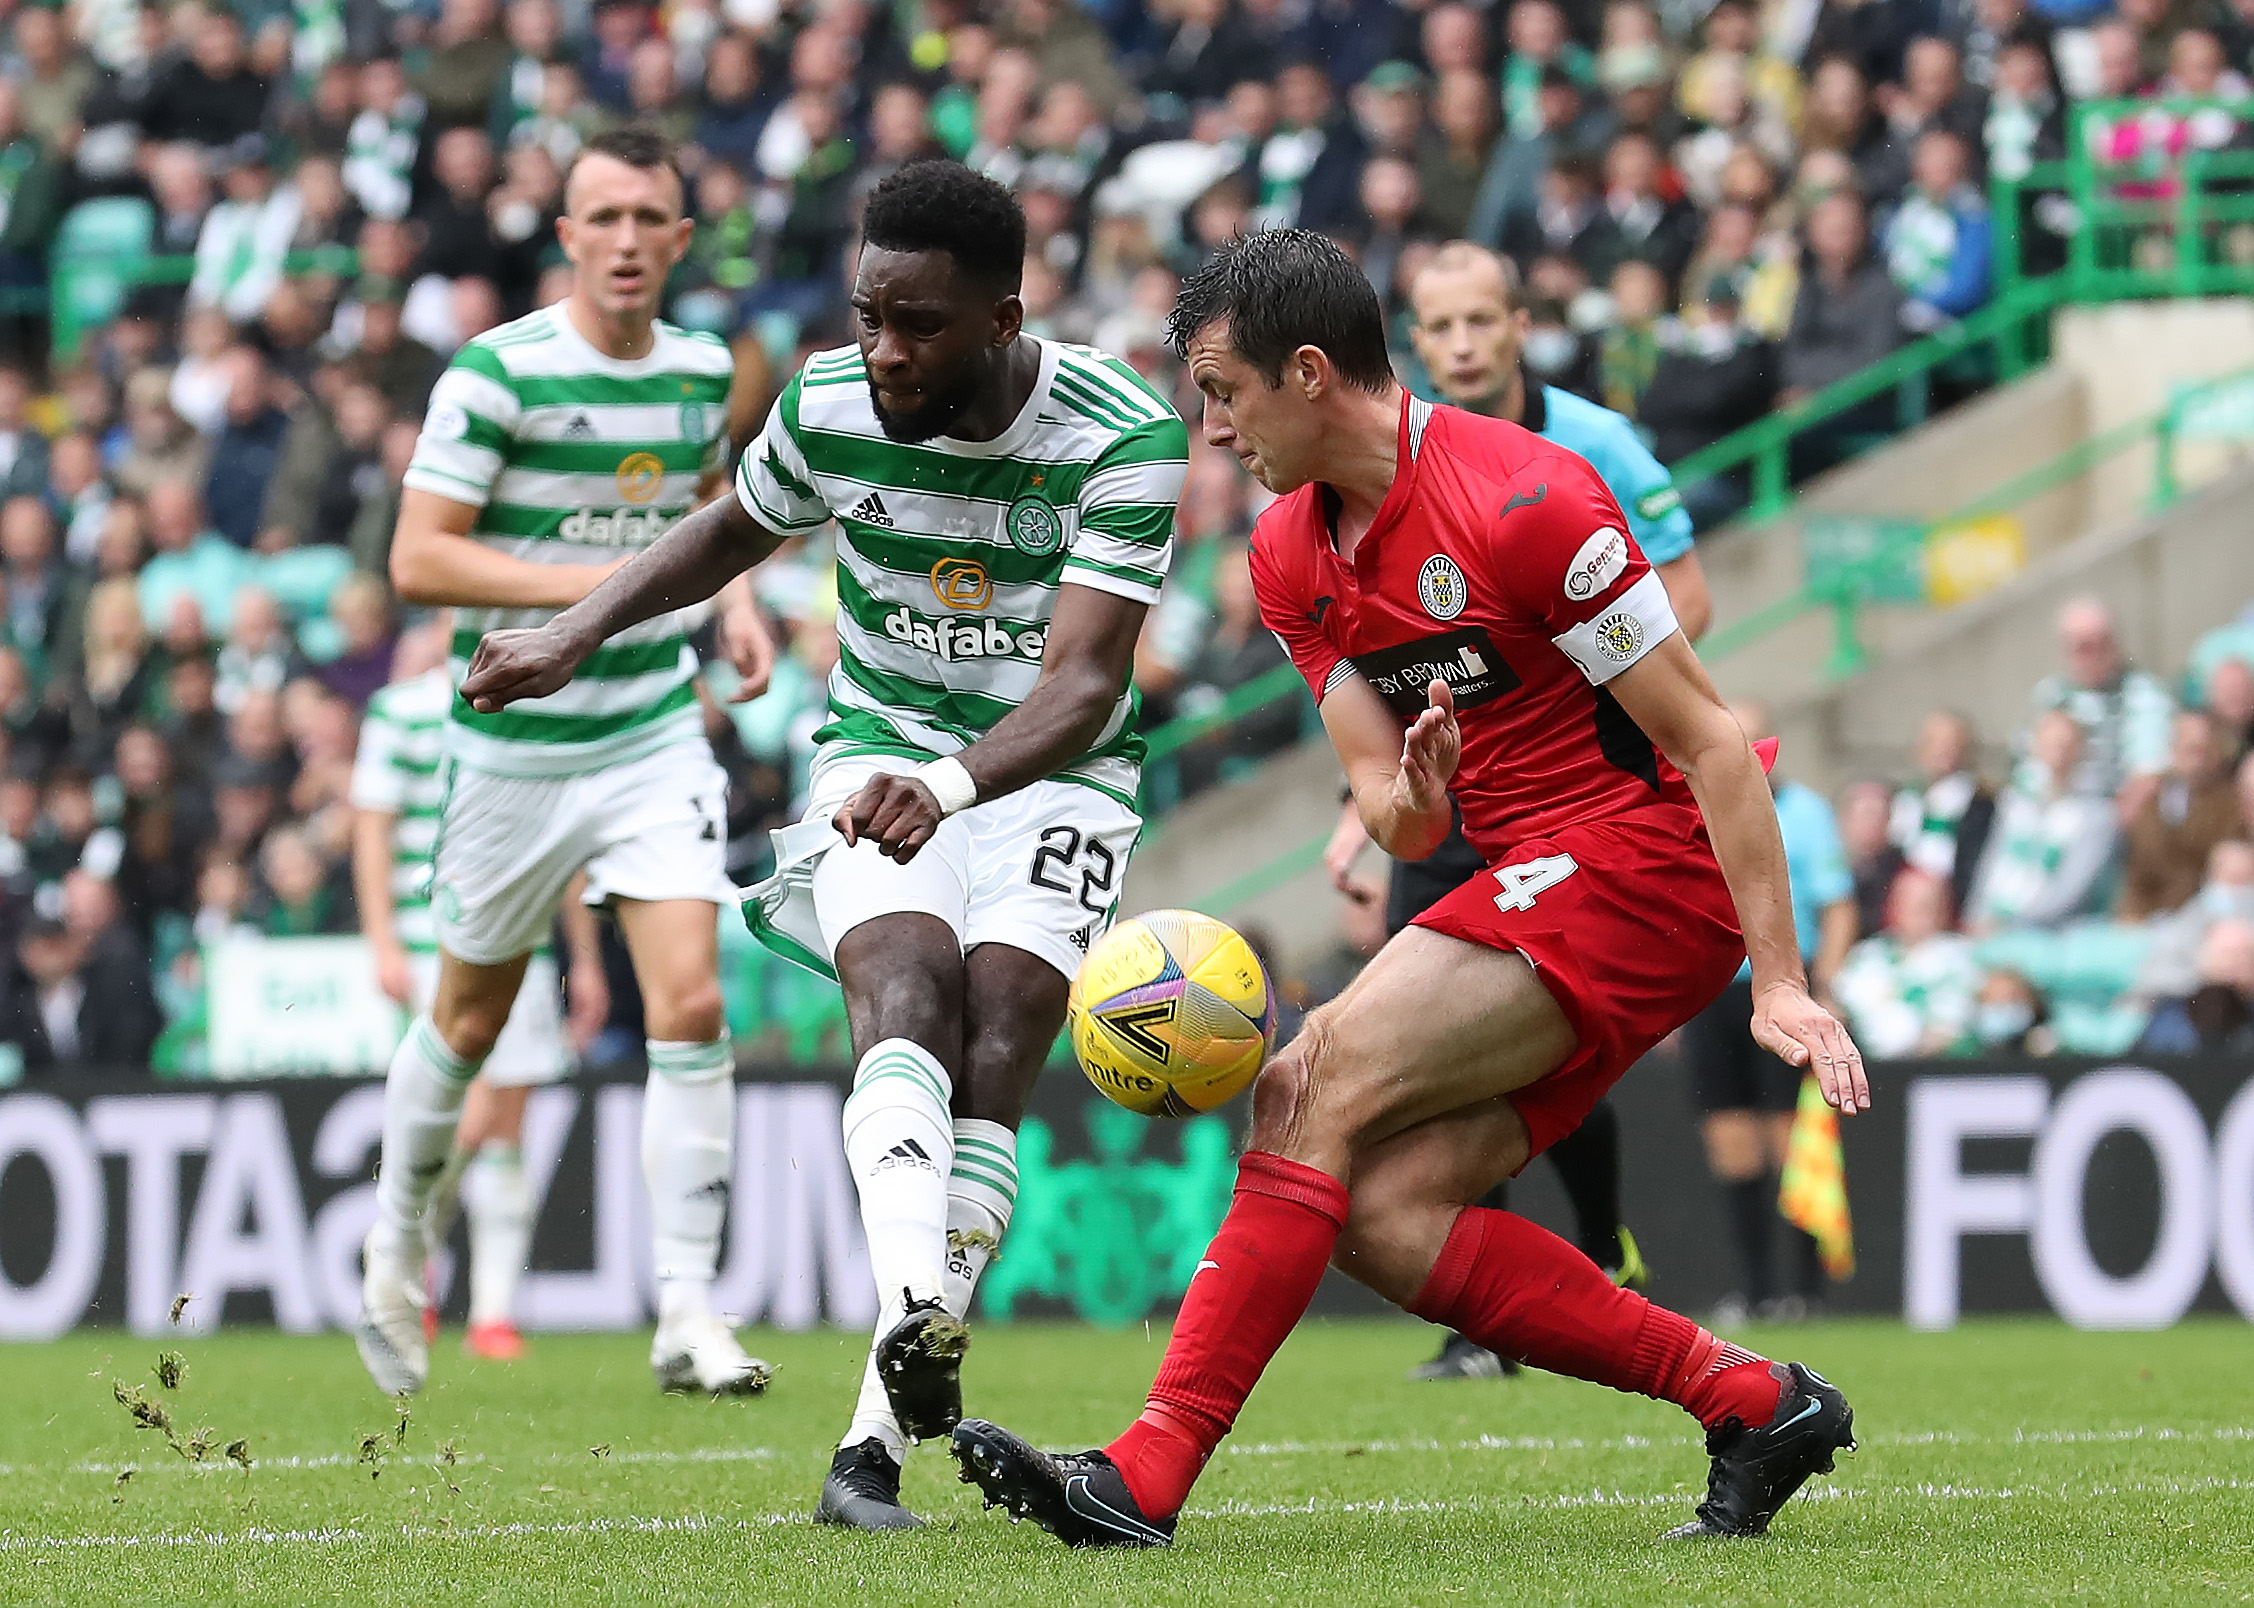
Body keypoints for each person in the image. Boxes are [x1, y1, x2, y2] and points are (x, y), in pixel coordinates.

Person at [943, 229, 1866, 1549]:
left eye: (1223, 391)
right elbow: (1381, 793)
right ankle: (1751, 1401)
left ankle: (1142, 1477)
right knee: (1381, 1215)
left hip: (1647, 862)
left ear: (1309, 373)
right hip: (1530, 873)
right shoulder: (1286, 557)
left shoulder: (1530, 504)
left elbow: (1711, 741)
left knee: (1301, 1087)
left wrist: (1778, 981)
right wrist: (1414, 805)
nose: (1209, 430)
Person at [454, 159, 1188, 1531]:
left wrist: (956, 783)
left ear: (1004, 318)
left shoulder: (1121, 428)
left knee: (1001, 1036)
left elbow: (1085, 684)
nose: (885, 349)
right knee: (903, 989)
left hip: (1052, 772)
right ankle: (920, 1316)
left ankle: (868, 1446)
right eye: (868, 314)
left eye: (918, 324)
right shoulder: (829, 396)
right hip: (878, 743)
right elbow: (729, 530)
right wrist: (571, 630)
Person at [353, 127, 778, 1404]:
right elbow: (418, 561)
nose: (629, 241)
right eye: (604, 219)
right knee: (468, 1022)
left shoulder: (703, 371)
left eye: (652, 217)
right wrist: (593, 595)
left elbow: (712, 510)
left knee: (692, 1003)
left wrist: (737, 604)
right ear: (568, 237)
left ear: (681, 237)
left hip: (649, 733)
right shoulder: (497, 375)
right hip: (515, 753)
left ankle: (688, 1311)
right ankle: (394, 1238)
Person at [1325, 238, 1712, 1381]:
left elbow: (1684, 589)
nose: (1459, 346)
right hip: (1452, 791)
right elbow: (1383, 655)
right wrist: (1367, 808)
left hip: (1571, 797)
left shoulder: (1589, 442)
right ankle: (1503, 1303)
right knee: (1451, 1046)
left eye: (1479, 323)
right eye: (1438, 328)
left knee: (1531, 1051)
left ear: (1516, 326)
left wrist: (1588, 702)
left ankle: (1595, 1250)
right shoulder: (1391, 458)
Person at [350, 616, 608, 1362]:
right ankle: (406, 1264)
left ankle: (489, 1312)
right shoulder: (400, 711)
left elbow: (562, 841)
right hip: (434, 937)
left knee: (505, 1127)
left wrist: (581, 957)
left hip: (521, 937)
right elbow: (372, 826)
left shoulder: (536, 704)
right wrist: (382, 940)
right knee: (470, 1120)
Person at [1679, 701, 1856, 1323]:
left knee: (1790, 1139)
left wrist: (1823, 983)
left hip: (1780, 985)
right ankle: (1756, 1291)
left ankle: (1804, 1291)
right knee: (1731, 1142)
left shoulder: (1805, 813)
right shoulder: (1696, 807)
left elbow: (1837, 904)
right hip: (1714, 990)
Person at [1831, 867, 1982, 1058]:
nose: (1920, 915)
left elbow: (1949, 1026)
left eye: (1928, 905)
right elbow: (1842, 1005)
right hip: (1869, 1067)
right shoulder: (1867, 956)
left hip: (1937, 1069)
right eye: (1910, 904)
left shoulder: (1961, 957)